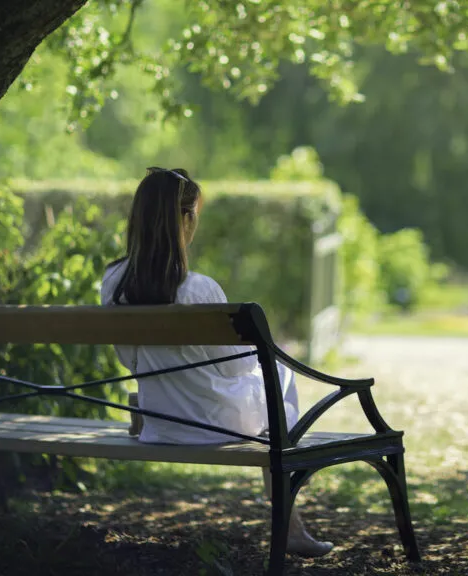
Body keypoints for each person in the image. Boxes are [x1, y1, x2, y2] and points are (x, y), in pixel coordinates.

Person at [100, 167, 333, 557]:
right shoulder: (198, 288)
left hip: (162, 422)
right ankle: (291, 518)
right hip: (213, 425)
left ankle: (293, 516)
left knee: (273, 389)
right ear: (185, 218)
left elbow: (129, 358)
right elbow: (235, 368)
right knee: (280, 377)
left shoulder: (113, 281)